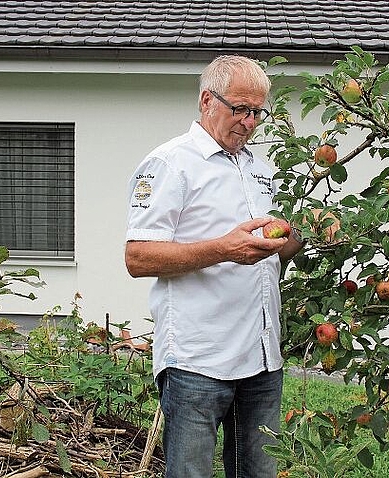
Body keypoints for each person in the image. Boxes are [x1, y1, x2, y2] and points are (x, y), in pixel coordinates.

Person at [124, 55, 304, 478]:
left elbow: (268, 253)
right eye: (240, 108)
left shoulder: (257, 168)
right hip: (198, 359)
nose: (250, 121)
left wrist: (298, 236)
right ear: (207, 100)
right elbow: (138, 257)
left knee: (258, 473)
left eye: (258, 111)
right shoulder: (170, 163)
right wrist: (223, 249)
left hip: (261, 357)